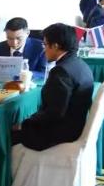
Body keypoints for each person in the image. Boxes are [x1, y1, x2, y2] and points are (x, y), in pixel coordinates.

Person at [12, 23, 93, 151]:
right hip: (75, 125)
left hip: (60, 132)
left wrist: (25, 124)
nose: (44, 50)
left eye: (45, 45)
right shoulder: (80, 64)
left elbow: (54, 113)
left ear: (55, 46)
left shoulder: (61, 71)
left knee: (5, 134)